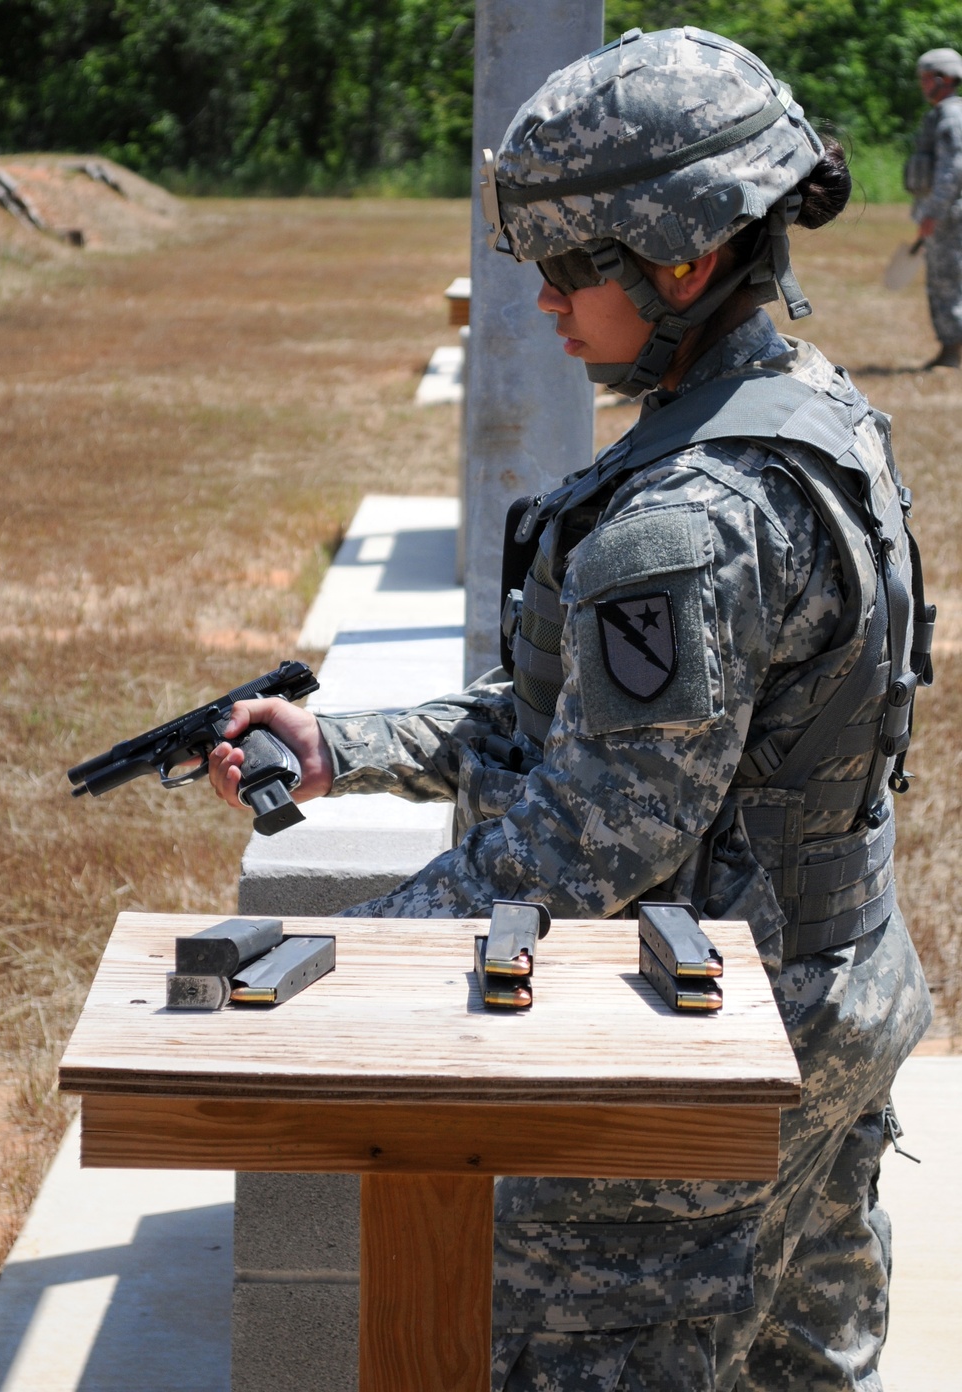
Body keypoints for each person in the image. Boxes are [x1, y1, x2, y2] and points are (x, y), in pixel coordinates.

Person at [210, 28, 934, 1392]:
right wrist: (345, 746)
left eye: (565, 267)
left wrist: (340, 962)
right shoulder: (804, 408)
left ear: (684, 261)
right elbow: (597, 722)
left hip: (712, 1048)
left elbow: (598, 834)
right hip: (833, 992)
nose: (541, 302)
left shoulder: (686, 520)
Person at [906, 47, 962, 367]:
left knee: (947, 281)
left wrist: (934, 212)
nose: (923, 84)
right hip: (946, 211)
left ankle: (953, 352)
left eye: (927, 78)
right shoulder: (941, 114)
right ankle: (950, 348)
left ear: (945, 79)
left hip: (949, 214)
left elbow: (953, 169)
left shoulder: (951, 117)